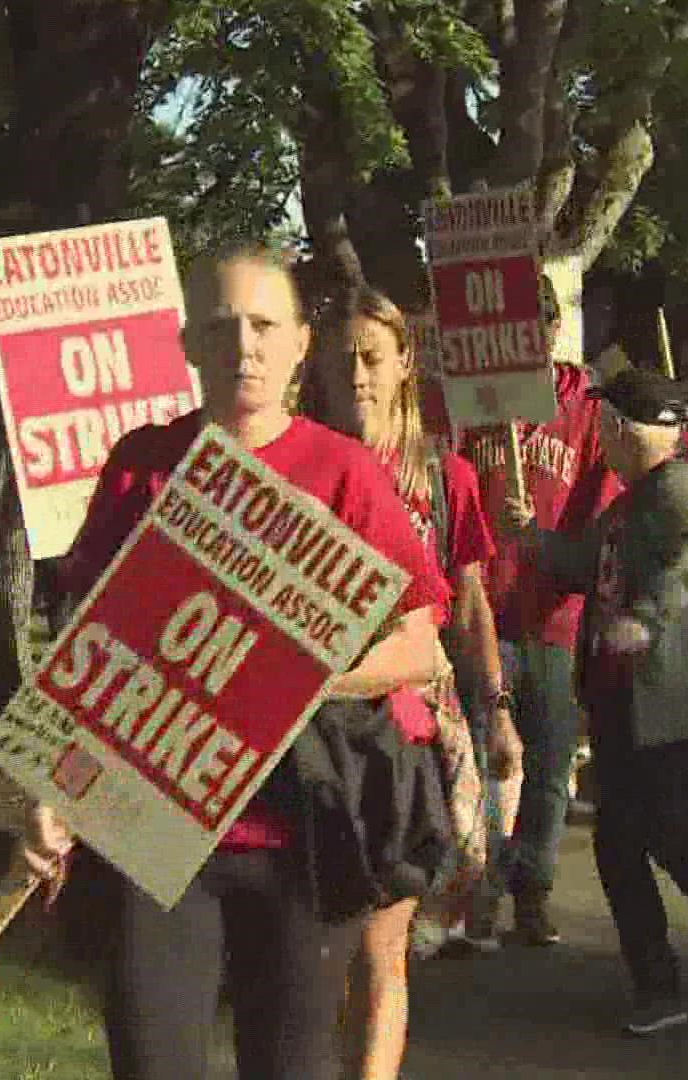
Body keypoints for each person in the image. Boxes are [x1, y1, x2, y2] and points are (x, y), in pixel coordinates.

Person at [15, 249, 452, 1080]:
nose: (242, 346)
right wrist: (47, 793)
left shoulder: (343, 473)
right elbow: (86, 649)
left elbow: (418, 646)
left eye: (264, 326)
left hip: (300, 839)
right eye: (221, 326)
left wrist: (295, 680)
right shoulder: (142, 464)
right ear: (187, 344)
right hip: (155, 836)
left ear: (298, 346)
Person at [305, 286, 521, 1080]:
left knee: (380, 944)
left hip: (409, 727)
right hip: (313, 726)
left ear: (404, 364)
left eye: (370, 356)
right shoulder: (297, 464)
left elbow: (468, 606)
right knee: (312, 946)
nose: (354, 373)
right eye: (339, 358)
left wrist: (496, 711)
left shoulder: (443, 476)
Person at [509, 366, 688, 1036]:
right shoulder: (629, 500)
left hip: (678, 701)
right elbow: (584, 562)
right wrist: (535, 542)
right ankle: (657, 984)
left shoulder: (686, 487)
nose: (600, 438)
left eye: (604, 425)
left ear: (619, 427)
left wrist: (646, 619)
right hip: (623, 702)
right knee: (619, 844)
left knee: (671, 833)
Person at [455, 276, 620, 947]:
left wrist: (548, 545)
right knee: (481, 763)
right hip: (483, 612)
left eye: (542, 328)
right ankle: (480, 891)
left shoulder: (584, 406)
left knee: (550, 765)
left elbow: (603, 520)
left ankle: (534, 889)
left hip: (553, 616)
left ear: (553, 333)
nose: (533, 341)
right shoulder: (476, 403)